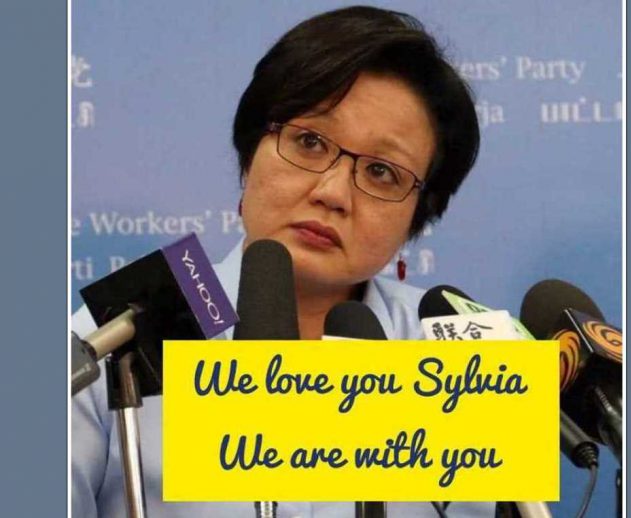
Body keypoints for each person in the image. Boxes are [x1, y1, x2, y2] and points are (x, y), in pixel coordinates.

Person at [72, 6, 490, 517]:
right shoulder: (116, 333)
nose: (333, 192)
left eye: (382, 171)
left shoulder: (458, 358)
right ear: (250, 155)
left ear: (418, 216)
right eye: (310, 142)